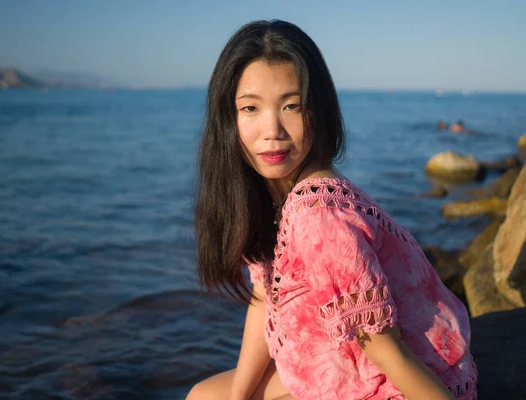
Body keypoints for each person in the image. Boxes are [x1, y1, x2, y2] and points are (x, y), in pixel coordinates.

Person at [188, 20, 476, 400]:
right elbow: (264, 296)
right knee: (205, 395)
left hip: (394, 385)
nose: (272, 129)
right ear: (229, 118)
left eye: (291, 105)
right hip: (336, 363)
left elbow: (386, 350)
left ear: (318, 110)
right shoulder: (271, 193)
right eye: (251, 108)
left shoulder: (317, 214)